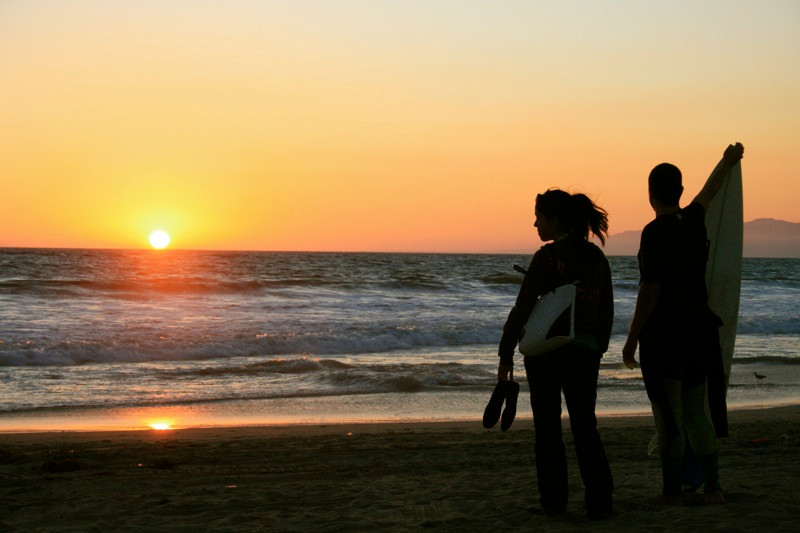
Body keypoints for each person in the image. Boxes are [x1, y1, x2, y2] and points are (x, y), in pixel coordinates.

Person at [622, 142, 745, 505]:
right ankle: (714, 487)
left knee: (667, 416)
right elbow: (710, 190)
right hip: (699, 332)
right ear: (680, 192)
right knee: (695, 412)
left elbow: (650, 290)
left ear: (650, 194)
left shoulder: (653, 232)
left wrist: (632, 339)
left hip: (664, 336)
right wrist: (727, 160)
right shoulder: (694, 220)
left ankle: (671, 490)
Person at [497, 189, 614, 520]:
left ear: (555, 219)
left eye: (540, 216)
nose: (535, 223)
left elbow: (521, 311)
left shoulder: (546, 257)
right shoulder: (597, 259)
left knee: (548, 429)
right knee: (584, 426)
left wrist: (506, 354)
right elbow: (607, 310)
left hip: (546, 353)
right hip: (585, 352)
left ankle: (554, 501)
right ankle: (601, 501)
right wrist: (598, 348)